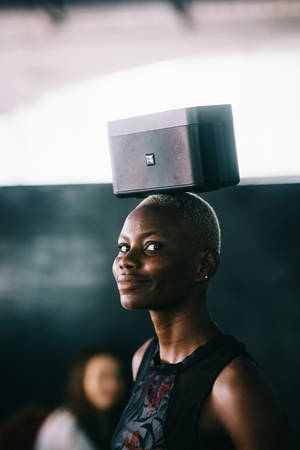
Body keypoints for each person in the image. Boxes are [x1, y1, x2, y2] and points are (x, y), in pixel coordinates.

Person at [111, 192, 289, 450]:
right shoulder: (143, 359)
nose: (126, 261)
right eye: (124, 247)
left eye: (153, 247)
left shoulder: (233, 384)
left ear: (204, 265)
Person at [35, 348, 126, 450]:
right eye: (103, 376)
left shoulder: (107, 420)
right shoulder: (66, 427)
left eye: (118, 376)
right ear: (81, 379)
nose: (113, 385)